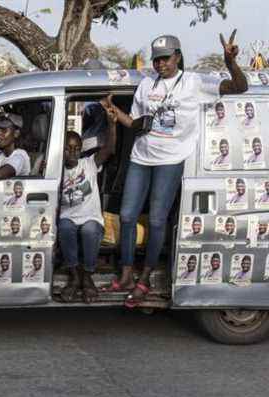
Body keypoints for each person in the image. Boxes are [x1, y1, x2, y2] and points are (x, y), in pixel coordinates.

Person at [101, 32, 247, 308]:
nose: (160, 64)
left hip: (171, 159)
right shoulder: (147, 85)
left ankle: (145, 279)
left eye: (165, 59)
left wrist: (231, 62)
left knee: (157, 220)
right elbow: (135, 123)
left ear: (178, 56)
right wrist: (114, 114)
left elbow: (239, 87)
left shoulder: (195, 82)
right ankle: (127, 273)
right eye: (156, 59)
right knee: (128, 215)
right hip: (141, 157)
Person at [59, 100, 117, 303]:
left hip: (90, 218)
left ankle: (87, 275)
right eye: (67, 148)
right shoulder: (57, 171)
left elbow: (109, 148)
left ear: (81, 149)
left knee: (89, 230)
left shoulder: (89, 163)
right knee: (65, 228)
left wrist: (111, 124)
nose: (72, 152)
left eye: (76, 148)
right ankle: (75, 277)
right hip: (68, 217)